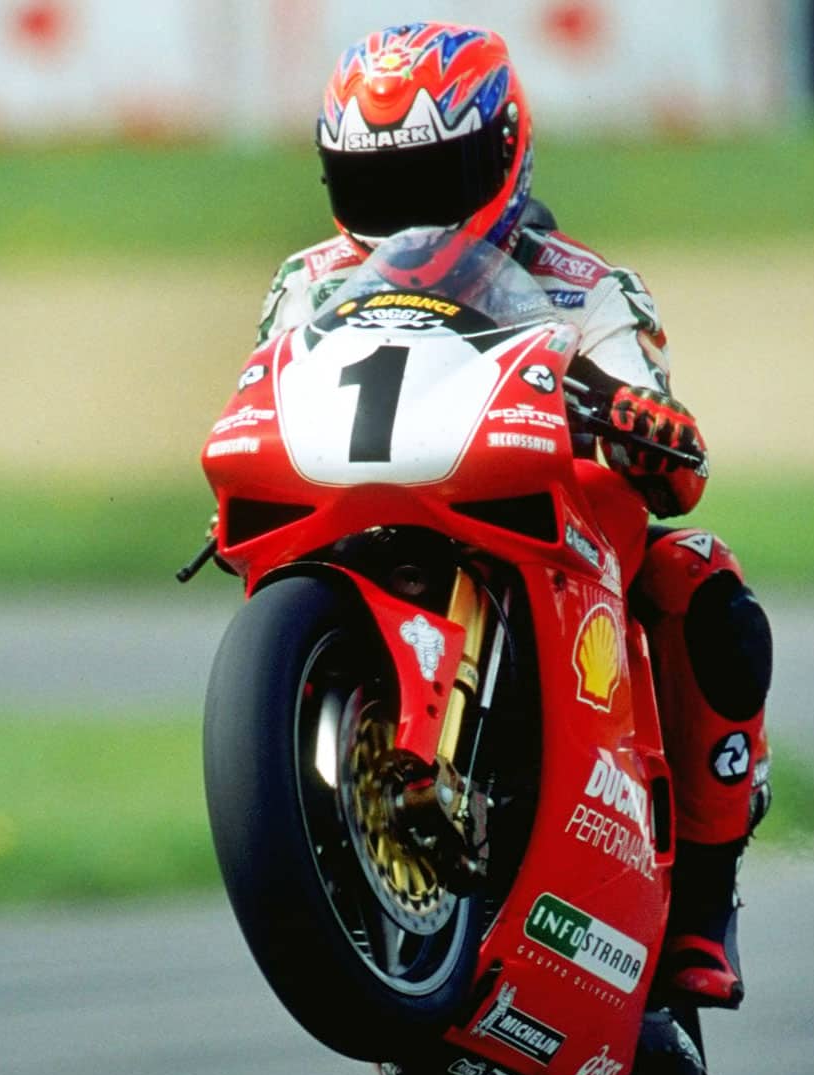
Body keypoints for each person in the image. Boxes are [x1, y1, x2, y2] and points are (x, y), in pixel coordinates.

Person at [253, 22, 772, 1009]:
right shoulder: (305, 282)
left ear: (502, 152)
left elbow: (669, 454)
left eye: (432, 178)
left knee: (702, 577)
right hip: (368, 506)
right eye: (377, 185)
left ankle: (705, 905)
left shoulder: (585, 285)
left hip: (540, 532)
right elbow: (272, 388)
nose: (405, 210)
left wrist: (634, 417)